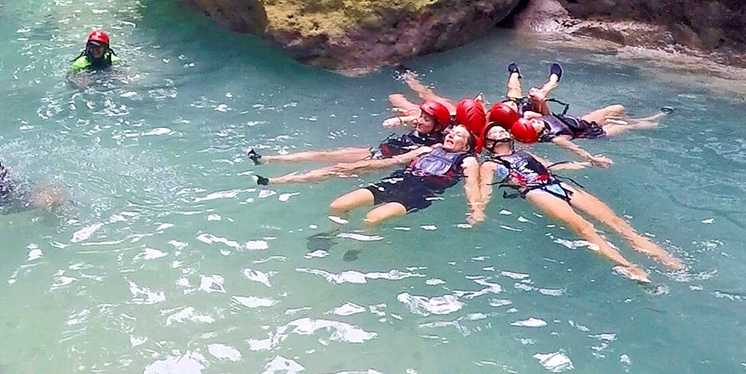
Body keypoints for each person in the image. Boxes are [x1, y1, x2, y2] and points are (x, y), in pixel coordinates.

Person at [480, 123, 683, 282]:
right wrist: (478, 208)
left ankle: (663, 257)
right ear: (488, 143)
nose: (500, 133)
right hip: (534, 191)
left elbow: (554, 167)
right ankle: (628, 266)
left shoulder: (526, 154)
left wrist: (589, 163)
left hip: (556, 183)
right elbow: (486, 187)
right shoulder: (490, 164)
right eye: (495, 132)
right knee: (584, 228)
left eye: (501, 130)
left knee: (616, 222)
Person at [252, 100, 456, 186]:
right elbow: (425, 118)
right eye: (421, 116)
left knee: (336, 168)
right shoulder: (422, 127)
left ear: (437, 126)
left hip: (380, 162)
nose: (420, 121)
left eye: (426, 119)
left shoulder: (434, 145)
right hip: (376, 151)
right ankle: (266, 159)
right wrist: (402, 120)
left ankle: (274, 182)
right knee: (325, 155)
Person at [325, 125, 485, 228]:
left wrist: (476, 209)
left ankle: (359, 247)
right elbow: (393, 161)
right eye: (451, 132)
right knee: (338, 205)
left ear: (466, 146)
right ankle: (333, 232)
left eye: (458, 135)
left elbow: (471, 185)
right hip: (396, 181)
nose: (451, 135)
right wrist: (353, 167)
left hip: (420, 193)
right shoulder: (426, 150)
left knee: (372, 218)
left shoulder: (468, 160)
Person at [510, 107, 669, 166]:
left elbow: (531, 114)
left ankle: (643, 119)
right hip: (594, 133)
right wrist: (592, 159)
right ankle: (656, 122)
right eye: (531, 125)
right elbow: (576, 150)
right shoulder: (557, 138)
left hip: (584, 122)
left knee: (617, 109)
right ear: (534, 133)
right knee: (625, 126)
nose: (533, 121)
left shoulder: (534, 119)